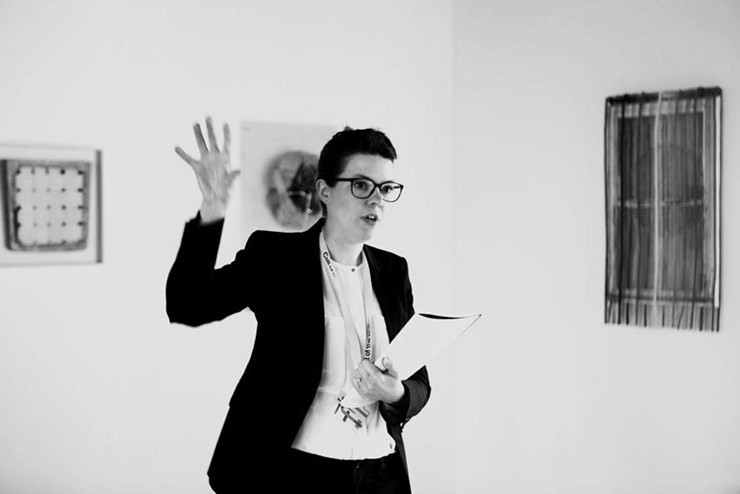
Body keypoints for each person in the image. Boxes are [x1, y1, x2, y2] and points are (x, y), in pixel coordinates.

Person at [166, 117, 431, 493]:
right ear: (324, 190)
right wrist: (212, 208)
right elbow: (187, 304)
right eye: (361, 185)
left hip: (380, 476)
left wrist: (394, 393)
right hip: (293, 474)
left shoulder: (393, 271)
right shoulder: (276, 258)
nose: (376, 199)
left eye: (385, 188)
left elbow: (419, 384)